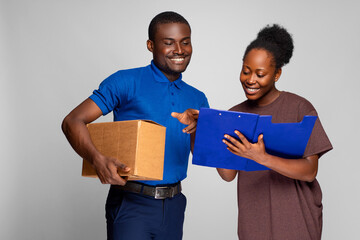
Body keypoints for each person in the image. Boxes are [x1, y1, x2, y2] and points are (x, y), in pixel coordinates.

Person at [61, 11, 209, 240]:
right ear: (151, 45)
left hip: (174, 204)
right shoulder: (125, 81)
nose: (179, 50)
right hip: (131, 202)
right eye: (169, 43)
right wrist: (97, 159)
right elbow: (72, 121)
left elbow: (202, 154)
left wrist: (199, 130)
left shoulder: (197, 98)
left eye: (185, 42)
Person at [217, 24, 333, 240]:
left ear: (277, 74)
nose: (250, 80)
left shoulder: (300, 108)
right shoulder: (235, 115)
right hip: (254, 223)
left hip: (297, 222)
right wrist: (202, 132)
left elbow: (309, 171)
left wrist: (262, 158)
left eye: (260, 74)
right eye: (246, 71)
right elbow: (227, 175)